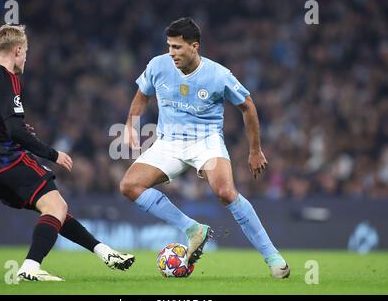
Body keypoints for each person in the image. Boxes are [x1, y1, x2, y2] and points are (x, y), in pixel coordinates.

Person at [0, 24, 135, 282]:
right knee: (56, 205)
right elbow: (16, 131)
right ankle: (30, 266)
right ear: (17, 50)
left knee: (52, 209)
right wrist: (53, 154)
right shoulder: (6, 78)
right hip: (6, 161)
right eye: (25, 51)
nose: (26, 57)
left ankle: (104, 252)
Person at [120, 17, 289, 278]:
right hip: (169, 142)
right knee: (129, 186)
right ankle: (192, 229)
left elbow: (248, 106)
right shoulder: (158, 66)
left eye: (177, 47)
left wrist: (255, 150)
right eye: (169, 46)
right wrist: (131, 125)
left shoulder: (218, 75)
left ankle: (273, 257)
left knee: (224, 192)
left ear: (194, 46)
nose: (171, 53)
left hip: (205, 140)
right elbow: (142, 94)